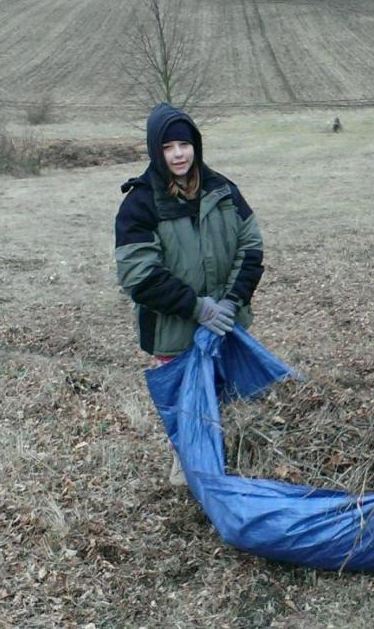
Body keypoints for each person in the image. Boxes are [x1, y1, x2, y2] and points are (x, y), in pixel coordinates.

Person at [114, 103, 265, 486]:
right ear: (155, 151)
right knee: (189, 409)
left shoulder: (223, 190)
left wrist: (232, 300)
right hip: (174, 333)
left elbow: (251, 247)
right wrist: (197, 308)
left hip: (227, 325)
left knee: (229, 401)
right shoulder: (140, 203)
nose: (178, 154)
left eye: (184, 144)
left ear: (195, 145)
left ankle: (229, 468)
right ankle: (189, 471)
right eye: (168, 147)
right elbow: (139, 275)